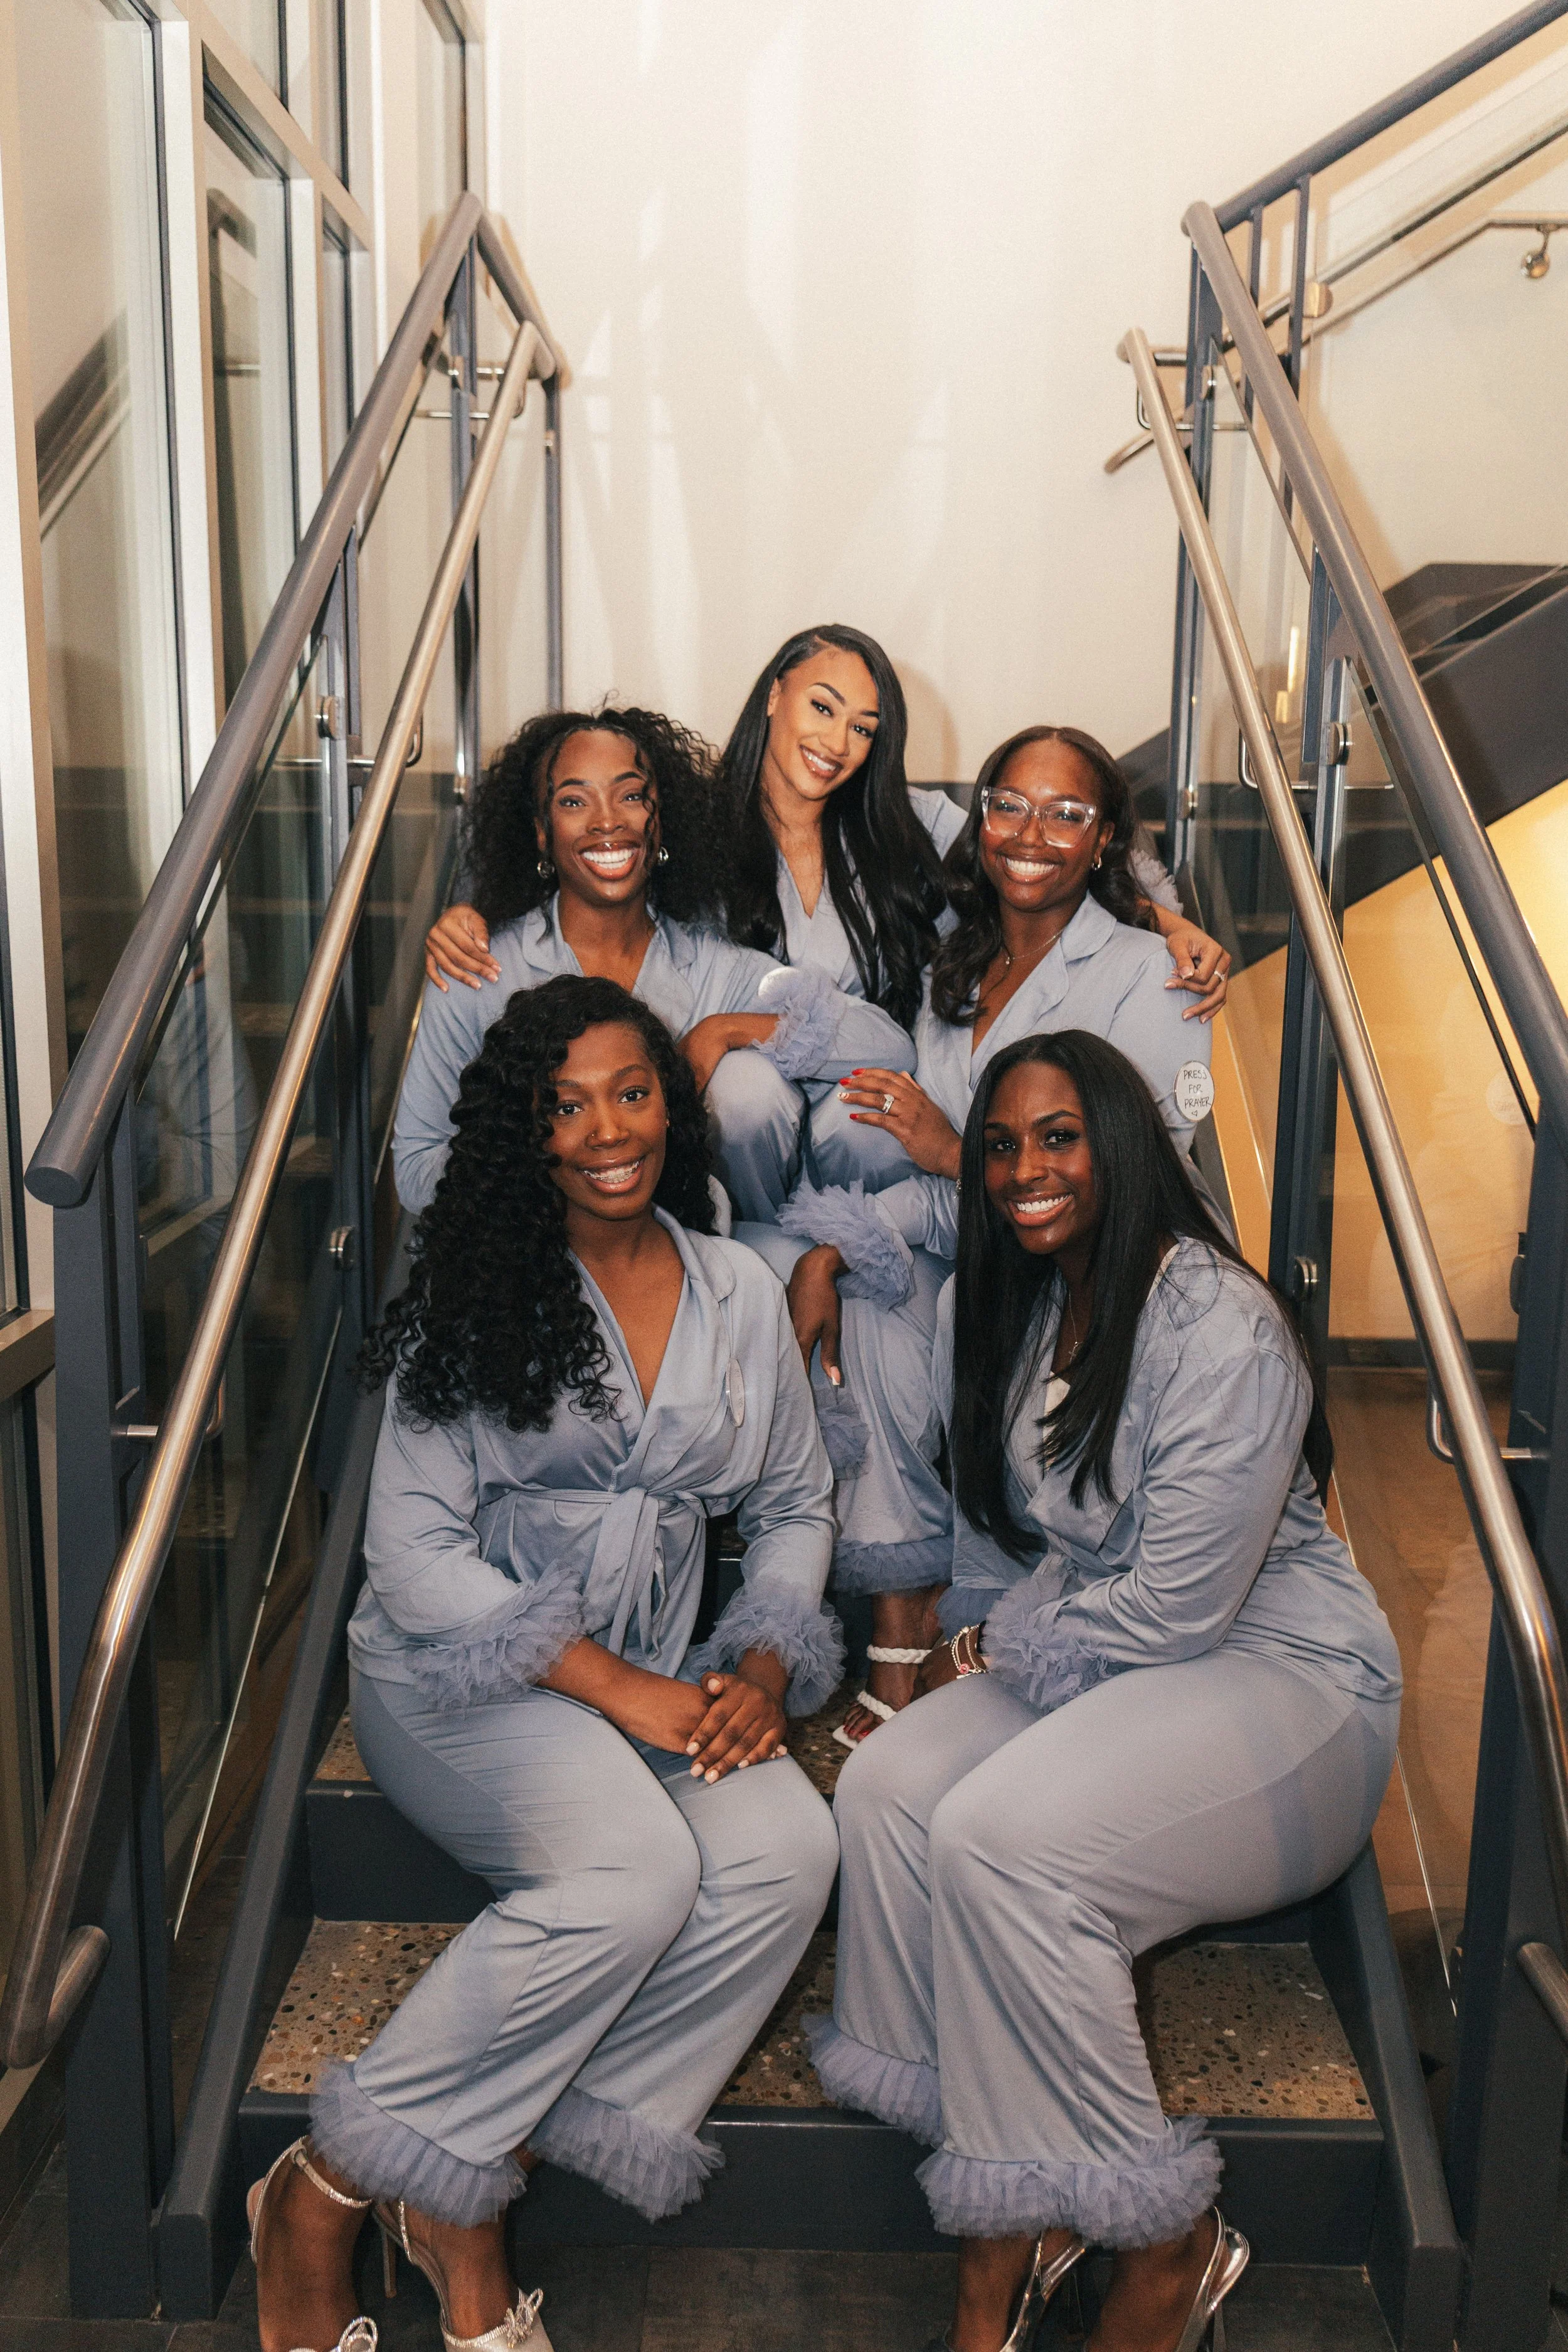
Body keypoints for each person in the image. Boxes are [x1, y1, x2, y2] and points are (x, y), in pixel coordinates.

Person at [247, 977, 842, 2352]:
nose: (604, 1129)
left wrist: (759, 1653)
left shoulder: (738, 1287)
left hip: (652, 1670)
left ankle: (470, 2175)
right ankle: (323, 2191)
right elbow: (412, 1560)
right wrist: (619, 1684)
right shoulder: (474, 1294)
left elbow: (798, 1505)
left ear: (671, 1107)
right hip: (458, 1678)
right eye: (562, 1105)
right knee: (636, 1872)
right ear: (527, 1134)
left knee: (780, 1857)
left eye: (630, 1091)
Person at [813, 1030, 1401, 2352]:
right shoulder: (1045, 1304)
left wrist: (985, 1649)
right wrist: (996, 1645)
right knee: (891, 1790)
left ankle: (1162, 2236)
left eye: (1058, 1137)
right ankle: (1010, 2203)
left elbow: (1175, 1605)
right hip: (1120, 1649)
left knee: (1003, 1846)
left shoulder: (1218, 1321)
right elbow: (1081, 1561)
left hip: (1289, 1681)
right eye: (1004, 1143)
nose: (1024, 1168)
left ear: (1121, 1144)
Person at [421, 630, 1229, 1199]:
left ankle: (846, 1252)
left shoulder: (905, 825)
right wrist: (467, 911)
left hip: (859, 1102)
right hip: (739, 1123)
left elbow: (1031, 855)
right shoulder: (687, 820)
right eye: (822, 706)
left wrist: (1170, 924)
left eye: (863, 727)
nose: (838, 740)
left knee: (862, 1116)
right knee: (741, 1093)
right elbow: (589, 857)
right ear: (775, 695)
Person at [767, 726, 1217, 1741]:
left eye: (1068, 815)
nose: (1032, 833)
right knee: (867, 1315)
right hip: (967, 1237)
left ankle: (994, 1632)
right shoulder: (952, 964)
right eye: (1010, 805)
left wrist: (953, 1150)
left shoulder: (1157, 974)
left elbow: (1147, 1177)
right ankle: (905, 1612)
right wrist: (834, 1245)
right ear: (980, 821)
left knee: (974, 1313)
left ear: (1106, 840)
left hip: (1087, 1274)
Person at [391, 707, 917, 1224]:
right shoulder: (477, 969)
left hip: (684, 1260)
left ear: (659, 825)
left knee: (750, 1085)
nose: (607, 821)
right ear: (542, 834)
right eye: (575, 801)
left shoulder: (712, 965)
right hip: (534, 1266)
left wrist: (726, 1030)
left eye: (631, 795)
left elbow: (887, 1044)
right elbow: (416, 1169)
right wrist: (561, 1157)